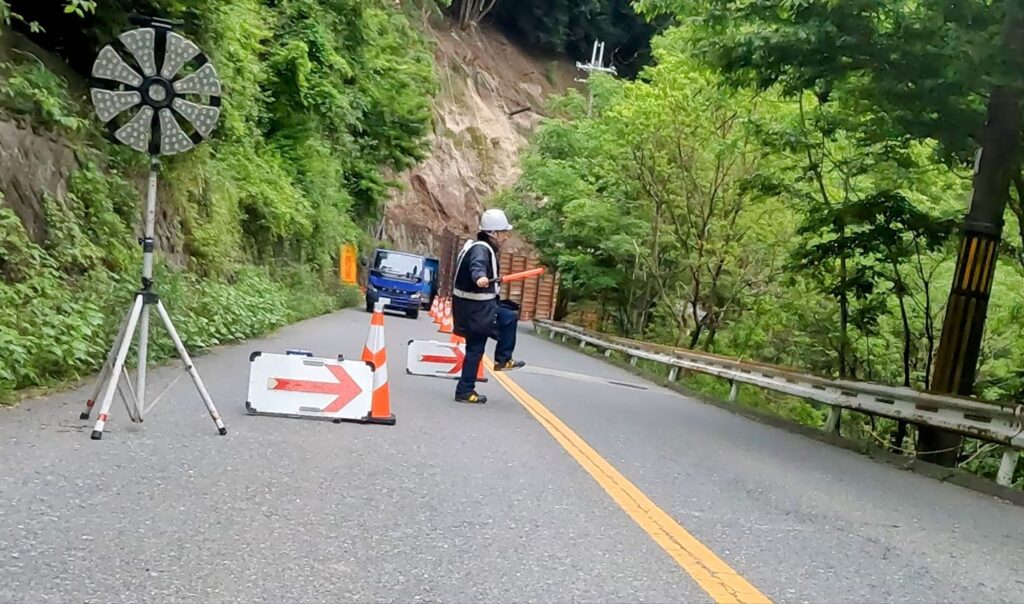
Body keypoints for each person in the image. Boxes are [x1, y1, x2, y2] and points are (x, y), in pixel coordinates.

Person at [451, 209, 526, 403]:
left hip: (471, 308)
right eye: (503, 232)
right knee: (508, 318)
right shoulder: (481, 249)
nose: (505, 236)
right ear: (493, 233)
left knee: (475, 348)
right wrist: (480, 277)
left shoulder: (476, 245)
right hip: (477, 310)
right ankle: (503, 359)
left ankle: (465, 391)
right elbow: (477, 266)